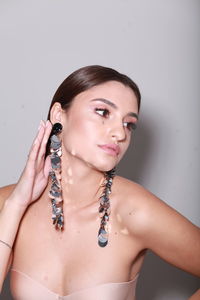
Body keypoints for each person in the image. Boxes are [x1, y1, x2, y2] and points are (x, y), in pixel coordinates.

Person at [0, 65, 199, 300]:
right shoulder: (8, 203)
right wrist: (15, 207)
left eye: (129, 124)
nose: (120, 133)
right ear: (58, 115)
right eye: (103, 112)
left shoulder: (134, 210)